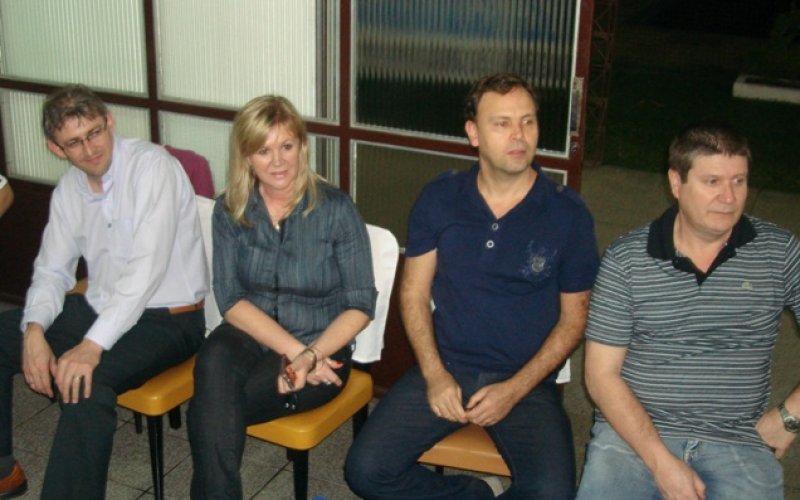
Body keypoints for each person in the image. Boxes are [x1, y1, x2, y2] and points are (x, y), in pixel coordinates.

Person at [345, 72, 600, 499]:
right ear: (474, 133)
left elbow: (575, 320)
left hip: (526, 382)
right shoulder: (440, 197)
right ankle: (473, 493)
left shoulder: (567, 214)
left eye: (528, 121)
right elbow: (413, 293)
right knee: (365, 471)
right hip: (448, 366)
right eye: (502, 123)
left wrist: (514, 390)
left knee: (552, 494)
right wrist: (435, 375)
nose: (519, 135)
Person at [0, 84, 208, 499]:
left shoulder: (154, 168)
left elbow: (146, 272)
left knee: (84, 383)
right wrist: (35, 329)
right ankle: (4, 470)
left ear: (109, 122)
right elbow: (52, 270)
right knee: (6, 334)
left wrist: (91, 346)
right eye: (74, 142)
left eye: (94, 132)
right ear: (57, 148)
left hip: (168, 319)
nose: (90, 148)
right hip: (100, 306)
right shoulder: (68, 190)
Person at [576, 122, 800, 500]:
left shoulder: (779, 253)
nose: (729, 197)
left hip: (738, 437)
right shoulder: (627, 259)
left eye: (739, 181)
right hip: (632, 434)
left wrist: (789, 417)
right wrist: (661, 462)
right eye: (712, 182)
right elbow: (600, 376)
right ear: (675, 183)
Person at [187, 95, 377, 499]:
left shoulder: (337, 210)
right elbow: (231, 298)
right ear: (246, 156)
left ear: (302, 147)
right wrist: (297, 354)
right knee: (214, 361)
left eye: (286, 146)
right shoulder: (230, 209)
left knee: (212, 411)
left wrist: (311, 354)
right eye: (263, 150)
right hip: (251, 334)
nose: (278, 161)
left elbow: (361, 303)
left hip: (322, 345)